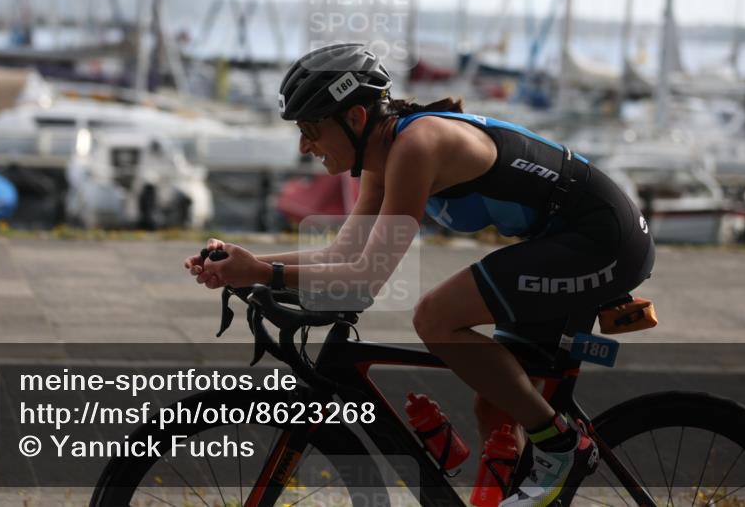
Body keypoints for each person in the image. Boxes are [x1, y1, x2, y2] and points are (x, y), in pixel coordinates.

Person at [185, 43, 655, 507]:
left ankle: (564, 448)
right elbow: (344, 252)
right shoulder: (380, 157)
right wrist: (248, 266)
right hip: (563, 239)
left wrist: (266, 273)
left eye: (311, 129)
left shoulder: (417, 146)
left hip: (602, 238)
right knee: (496, 403)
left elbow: (366, 277)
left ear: (354, 119)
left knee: (435, 317)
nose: (304, 145)